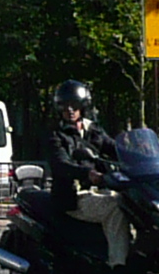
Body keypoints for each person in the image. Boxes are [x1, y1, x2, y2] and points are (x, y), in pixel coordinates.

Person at [32, 80, 117, 235]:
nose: (70, 110)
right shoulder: (56, 134)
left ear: (83, 106)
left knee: (132, 204)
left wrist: (141, 154)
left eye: (74, 104)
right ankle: (118, 259)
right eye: (64, 106)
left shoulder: (94, 131)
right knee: (116, 207)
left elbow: (115, 148)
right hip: (73, 197)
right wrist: (88, 173)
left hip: (99, 191)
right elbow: (60, 164)